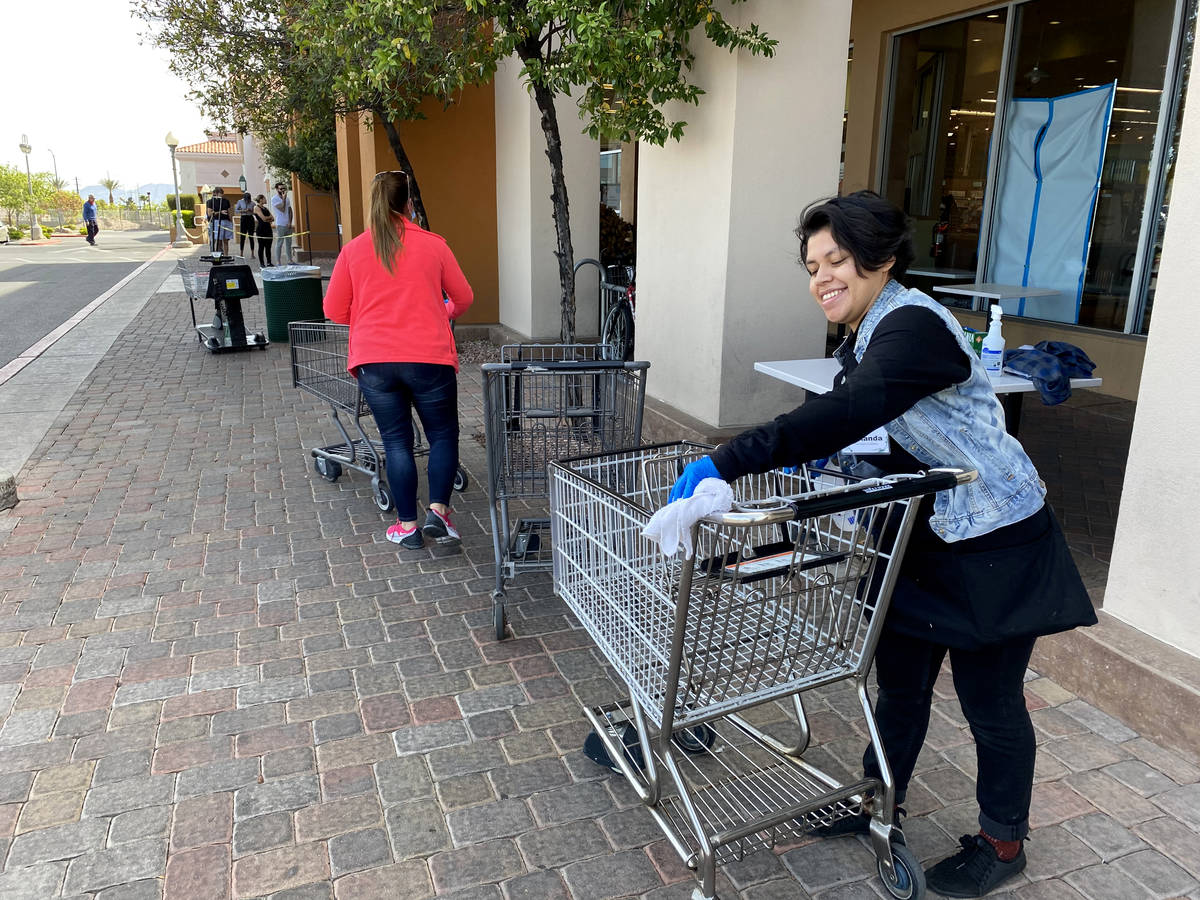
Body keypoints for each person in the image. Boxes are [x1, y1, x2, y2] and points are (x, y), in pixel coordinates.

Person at [665, 191, 1097, 898]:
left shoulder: (914, 328)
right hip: (919, 540)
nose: (821, 278)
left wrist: (732, 458)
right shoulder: (866, 333)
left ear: (882, 260)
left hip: (995, 539)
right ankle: (875, 796)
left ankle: (1002, 842)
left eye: (836, 260)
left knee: (991, 703)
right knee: (898, 689)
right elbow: (855, 421)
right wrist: (794, 470)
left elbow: (855, 410)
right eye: (811, 265)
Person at [323, 170, 473, 549]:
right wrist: (443, 310)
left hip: (375, 361)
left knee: (396, 442)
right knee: (441, 434)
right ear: (409, 204)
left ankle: (407, 527)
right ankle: (438, 511)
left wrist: (368, 314)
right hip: (429, 360)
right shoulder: (434, 245)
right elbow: (464, 298)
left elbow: (334, 310)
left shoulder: (354, 250)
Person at [270, 181, 294, 265]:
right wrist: (283, 199)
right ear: (277, 189)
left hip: (288, 224)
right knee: (279, 243)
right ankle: (278, 261)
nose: (283, 190)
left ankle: (290, 260)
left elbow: (290, 210)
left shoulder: (287, 198)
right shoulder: (274, 199)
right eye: (281, 188)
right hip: (280, 224)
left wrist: (290, 222)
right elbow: (282, 209)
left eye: (284, 188)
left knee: (289, 243)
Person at [205, 187, 233, 256]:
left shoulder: (226, 201)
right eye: (220, 193)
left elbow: (229, 212)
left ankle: (226, 256)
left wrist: (231, 221)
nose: (222, 195)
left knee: (226, 240)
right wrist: (220, 212)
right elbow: (209, 213)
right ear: (216, 193)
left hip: (226, 221)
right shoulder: (211, 201)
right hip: (217, 221)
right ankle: (218, 255)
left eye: (222, 193)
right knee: (218, 240)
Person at [252, 195, 274, 268]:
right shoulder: (256, 207)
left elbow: (273, 218)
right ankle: (262, 263)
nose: (265, 200)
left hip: (268, 229)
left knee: (268, 246)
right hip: (261, 229)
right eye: (264, 198)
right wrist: (268, 219)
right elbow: (263, 219)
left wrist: (268, 219)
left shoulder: (265, 208)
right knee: (261, 246)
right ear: (261, 200)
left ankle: (269, 262)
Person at [235, 191, 255, 258]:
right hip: (243, 218)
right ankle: (241, 253)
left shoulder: (252, 203)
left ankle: (252, 254)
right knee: (242, 237)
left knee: (251, 236)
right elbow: (236, 210)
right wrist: (243, 211)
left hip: (250, 218)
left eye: (248, 200)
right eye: (246, 200)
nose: (247, 201)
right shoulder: (240, 202)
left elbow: (255, 212)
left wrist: (251, 211)